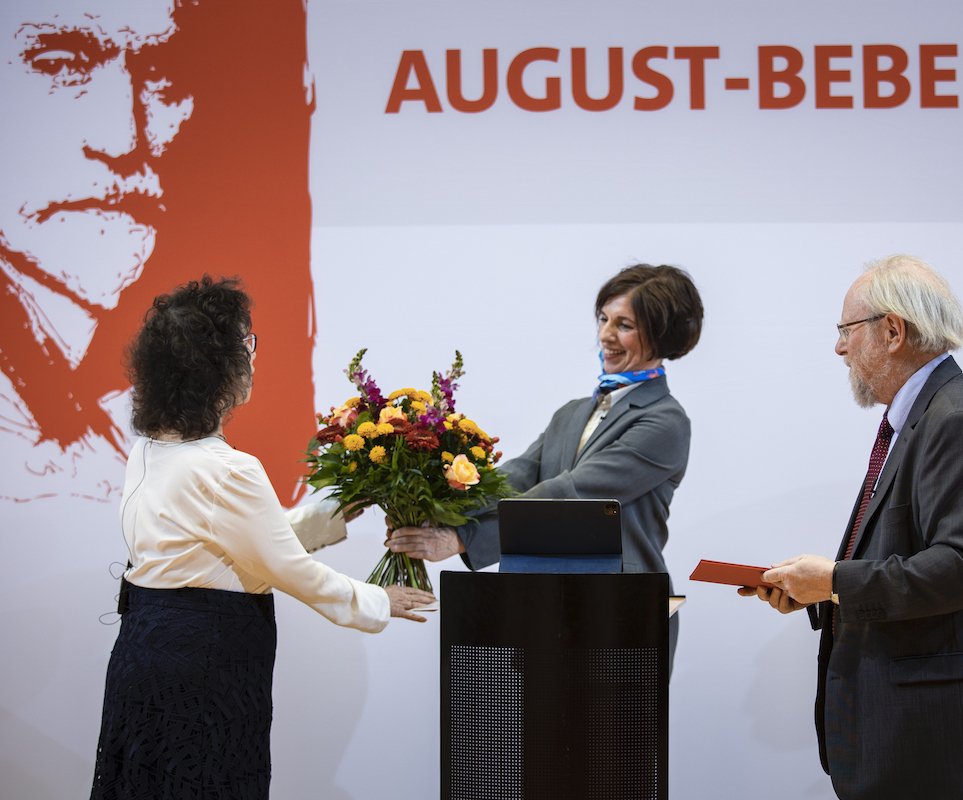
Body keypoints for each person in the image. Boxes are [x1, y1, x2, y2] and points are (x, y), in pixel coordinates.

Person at [89, 276, 433, 800]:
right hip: (206, 666)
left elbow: (229, 547)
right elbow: (285, 567)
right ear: (215, 365)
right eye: (246, 344)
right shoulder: (230, 468)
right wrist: (376, 601)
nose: (253, 357)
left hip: (146, 653)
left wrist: (331, 515)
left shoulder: (150, 451)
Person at [741, 255, 963, 799]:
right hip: (922, 740)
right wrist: (819, 592)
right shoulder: (930, 417)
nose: (839, 348)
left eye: (846, 331)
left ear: (891, 331)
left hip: (937, 746)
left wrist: (836, 582)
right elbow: (914, 556)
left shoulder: (958, 421)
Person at [0, 0, 317, 504]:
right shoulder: (214, 463)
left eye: (160, 76)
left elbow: (246, 552)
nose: (125, 136)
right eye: (64, 63)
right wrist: (372, 590)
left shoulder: (153, 449)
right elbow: (271, 563)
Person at [386, 263, 703, 671]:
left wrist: (464, 537)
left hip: (620, 609)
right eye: (604, 319)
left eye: (624, 324)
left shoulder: (665, 421)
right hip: (541, 605)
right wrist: (437, 510)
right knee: (539, 731)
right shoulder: (571, 413)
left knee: (609, 734)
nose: (606, 335)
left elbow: (572, 495)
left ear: (663, 335)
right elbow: (516, 476)